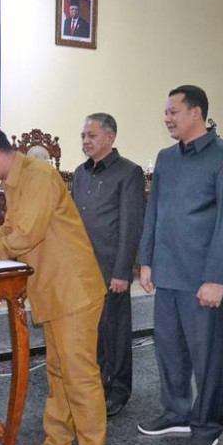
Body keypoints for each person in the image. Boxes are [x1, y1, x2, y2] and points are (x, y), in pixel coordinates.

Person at [0, 124, 107, 445]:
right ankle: (57, 444)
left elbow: (25, 237)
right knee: (58, 375)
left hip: (73, 291)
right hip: (52, 291)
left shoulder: (39, 176)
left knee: (79, 379)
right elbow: (11, 228)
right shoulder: (14, 181)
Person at [137, 85, 223, 445]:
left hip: (204, 277)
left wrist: (217, 278)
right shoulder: (166, 158)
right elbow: (153, 212)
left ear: (196, 113)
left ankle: (208, 423)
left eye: (174, 111)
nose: (167, 118)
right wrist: (147, 261)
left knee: (207, 355)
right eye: (166, 112)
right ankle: (177, 412)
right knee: (169, 350)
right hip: (167, 274)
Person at [71, 113, 145, 418]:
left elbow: (131, 226)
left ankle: (118, 391)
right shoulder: (80, 172)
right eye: (83, 136)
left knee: (114, 332)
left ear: (110, 137)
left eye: (92, 136)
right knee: (90, 333)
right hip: (80, 267)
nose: (86, 141)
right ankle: (95, 385)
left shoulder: (129, 172)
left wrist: (122, 272)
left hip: (110, 268)